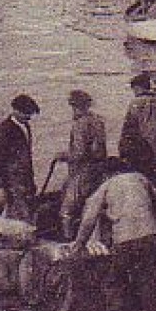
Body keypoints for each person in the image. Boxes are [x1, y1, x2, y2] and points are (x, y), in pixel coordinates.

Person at [71, 157, 156, 311]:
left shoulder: (106, 186)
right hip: (150, 235)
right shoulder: (140, 178)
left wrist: (79, 244)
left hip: (125, 239)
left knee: (115, 282)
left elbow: (88, 220)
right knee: (150, 280)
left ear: (107, 173)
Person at [56, 89, 109, 237]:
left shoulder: (80, 124)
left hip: (82, 172)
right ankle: (96, 239)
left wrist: (63, 156)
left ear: (75, 106)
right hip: (98, 170)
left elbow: (79, 153)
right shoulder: (98, 121)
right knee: (93, 206)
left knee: (66, 212)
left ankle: (69, 242)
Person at [0, 94, 40, 224]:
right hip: (12, 181)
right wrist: (0, 186)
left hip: (25, 180)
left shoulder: (25, 126)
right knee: (19, 213)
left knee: (26, 210)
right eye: (26, 113)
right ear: (15, 110)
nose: (29, 117)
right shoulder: (4, 130)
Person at [118, 72, 156, 177]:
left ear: (137, 88)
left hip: (141, 154)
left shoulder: (135, 104)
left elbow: (127, 131)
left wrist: (122, 152)